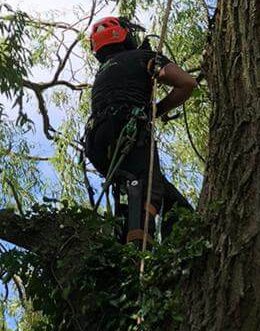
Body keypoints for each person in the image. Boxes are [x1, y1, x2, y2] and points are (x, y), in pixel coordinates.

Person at [83, 16, 196, 242]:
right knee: (147, 191)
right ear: (125, 35)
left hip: (96, 143)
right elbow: (186, 83)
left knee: (173, 203)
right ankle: (138, 249)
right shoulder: (143, 57)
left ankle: (179, 237)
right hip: (129, 128)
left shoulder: (103, 71)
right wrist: (157, 111)